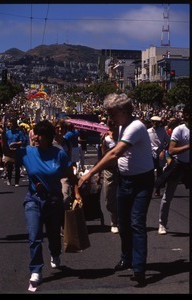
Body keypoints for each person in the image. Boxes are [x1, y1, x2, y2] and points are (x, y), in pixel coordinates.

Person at [78, 93, 155, 286]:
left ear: (122, 111)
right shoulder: (122, 126)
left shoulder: (135, 127)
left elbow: (115, 153)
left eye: (111, 113)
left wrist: (90, 173)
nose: (108, 117)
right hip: (125, 180)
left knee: (137, 223)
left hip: (141, 182)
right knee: (123, 222)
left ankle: (139, 268)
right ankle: (126, 257)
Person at [2, 119, 82, 287]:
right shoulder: (27, 152)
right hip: (34, 200)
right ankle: (36, 270)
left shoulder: (58, 154)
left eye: (39, 134)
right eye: (35, 133)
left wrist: (76, 193)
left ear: (47, 137)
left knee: (53, 235)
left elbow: (71, 174)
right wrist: (2, 134)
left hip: (53, 201)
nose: (35, 137)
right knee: (34, 237)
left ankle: (55, 252)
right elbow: (8, 152)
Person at [158, 104, 190, 235]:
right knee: (168, 196)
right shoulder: (179, 130)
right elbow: (171, 150)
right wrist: (188, 146)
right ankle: (162, 223)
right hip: (178, 164)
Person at [100, 118, 119, 234]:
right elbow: (103, 155)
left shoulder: (122, 136)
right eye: (110, 124)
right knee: (108, 196)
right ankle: (113, 218)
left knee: (121, 196)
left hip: (121, 169)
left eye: (114, 123)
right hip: (109, 170)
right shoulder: (106, 138)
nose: (112, 125)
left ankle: (116, 221)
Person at [147, 116, 170, 197]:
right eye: (154, 122)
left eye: (157, 122)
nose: (155, 124)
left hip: (160, 153)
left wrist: (163, 150)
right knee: (150, 172)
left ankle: (157, 189)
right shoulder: (148, 131)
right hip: (150, 153)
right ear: (151, 122)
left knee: (160, 172)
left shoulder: (163, 131)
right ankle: (149, 190)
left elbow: (168, 142)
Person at [2, 117, 24, 187]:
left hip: (17, 151)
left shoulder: (19, 132)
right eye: (9, 125)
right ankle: (9, 179)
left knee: (17, 167)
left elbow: (21, 141)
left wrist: (15, 144)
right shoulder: (7, 132)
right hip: (9, 151)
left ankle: (16, 181)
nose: (10, 126)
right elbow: (4, 142)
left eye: (11, 124)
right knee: (9, 166)